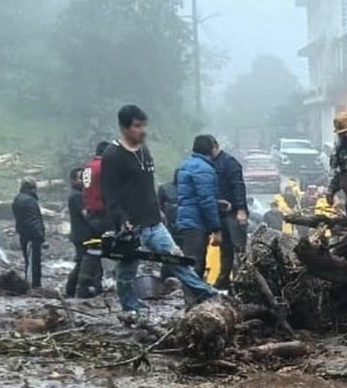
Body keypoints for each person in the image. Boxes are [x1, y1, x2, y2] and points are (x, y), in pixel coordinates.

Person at [100, 104, 217, 320]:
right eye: (137, 126)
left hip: (154, 221)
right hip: (131, 225)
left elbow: (148, 186)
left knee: (177, 260)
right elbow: (110, 194)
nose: (142, 130)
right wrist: (122, 220)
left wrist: (158, 210)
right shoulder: (113, 155)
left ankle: (207, 294)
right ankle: (131, 309)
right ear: (125, 128)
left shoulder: (144, 151)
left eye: (144, 125)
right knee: (127, 272)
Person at [175, 135, 223, 279]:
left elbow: (189, 194)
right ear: (210, 148)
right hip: (197, 221)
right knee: (195, 262)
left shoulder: (185, 165)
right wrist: (216, 227)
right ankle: (192, 299)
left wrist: (218, 203)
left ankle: (192, 296)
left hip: (186, 218)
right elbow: (205, 200)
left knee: (190, 259)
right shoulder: (204, 169)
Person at [209, 136, 247, 290]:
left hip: (234, 212)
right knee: (225, 249)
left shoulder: (229, 163)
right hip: (220, 212)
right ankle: (224, 280)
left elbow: (239, 186)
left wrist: (241, 209)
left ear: (215, 147)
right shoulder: (210, 163)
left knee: (239, 248)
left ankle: (241, 281)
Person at [65, 167, 101, 298]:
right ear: (73, 180)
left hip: (80, 234)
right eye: (81, 178)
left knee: (81, 262)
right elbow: (86, 215)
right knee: (87, 262)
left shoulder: (78, 195)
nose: (84, 181)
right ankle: (82, 289)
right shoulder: (77, 196)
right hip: (83, 235)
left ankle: (71, 290)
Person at [12, 176, 45, 289]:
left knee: (29, 260)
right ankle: (33, 285)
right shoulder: (30, 200)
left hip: (23, 234)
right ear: (33, 187)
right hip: (32, 236)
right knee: (33, 261)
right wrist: (40, 235)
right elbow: (33, 220)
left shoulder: (18, 198)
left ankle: (32, 283)